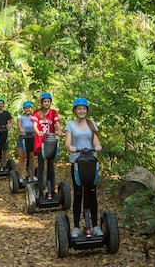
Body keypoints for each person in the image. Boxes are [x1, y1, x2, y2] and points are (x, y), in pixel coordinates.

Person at [64, 97, 103, 238]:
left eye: (84, 108)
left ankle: (95, 226)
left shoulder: (91, 124)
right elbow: (67, 142)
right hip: (77, 163)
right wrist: (71, 147)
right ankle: (75, 227)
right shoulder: (70, 125)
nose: (82, 111)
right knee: (78, 194)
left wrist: (97, 146)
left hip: (91, 162)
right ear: (75, 110)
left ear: (87, 110)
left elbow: (95, 139)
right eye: (79, 108)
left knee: (92, 193)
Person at [31, 92, 64, 200]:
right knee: (41, 167)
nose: (46, 103)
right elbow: (35, 125)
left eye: (48, 101)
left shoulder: (53, 113)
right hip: (40, 143)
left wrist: (59, 131)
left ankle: (51, 191)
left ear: (50, 102)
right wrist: (38, 132)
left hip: (50, 142)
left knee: (51, 167)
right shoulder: (36, 112)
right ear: (42, 102)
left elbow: (57, 123)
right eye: (45, 101)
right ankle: (41, 191)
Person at [17, 101, 36, 181]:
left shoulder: (33, 117)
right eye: (26, 108)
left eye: (29, 108)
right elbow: (19, 125)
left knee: (32, 157)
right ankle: (20, 177)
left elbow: (36, 125)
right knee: (22, 157)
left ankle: (32, 176)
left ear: (31, 108)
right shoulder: (20, 117)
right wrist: (21, 129)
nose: (28, 109)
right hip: (23, 138)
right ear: (24, 109)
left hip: (32, 138)